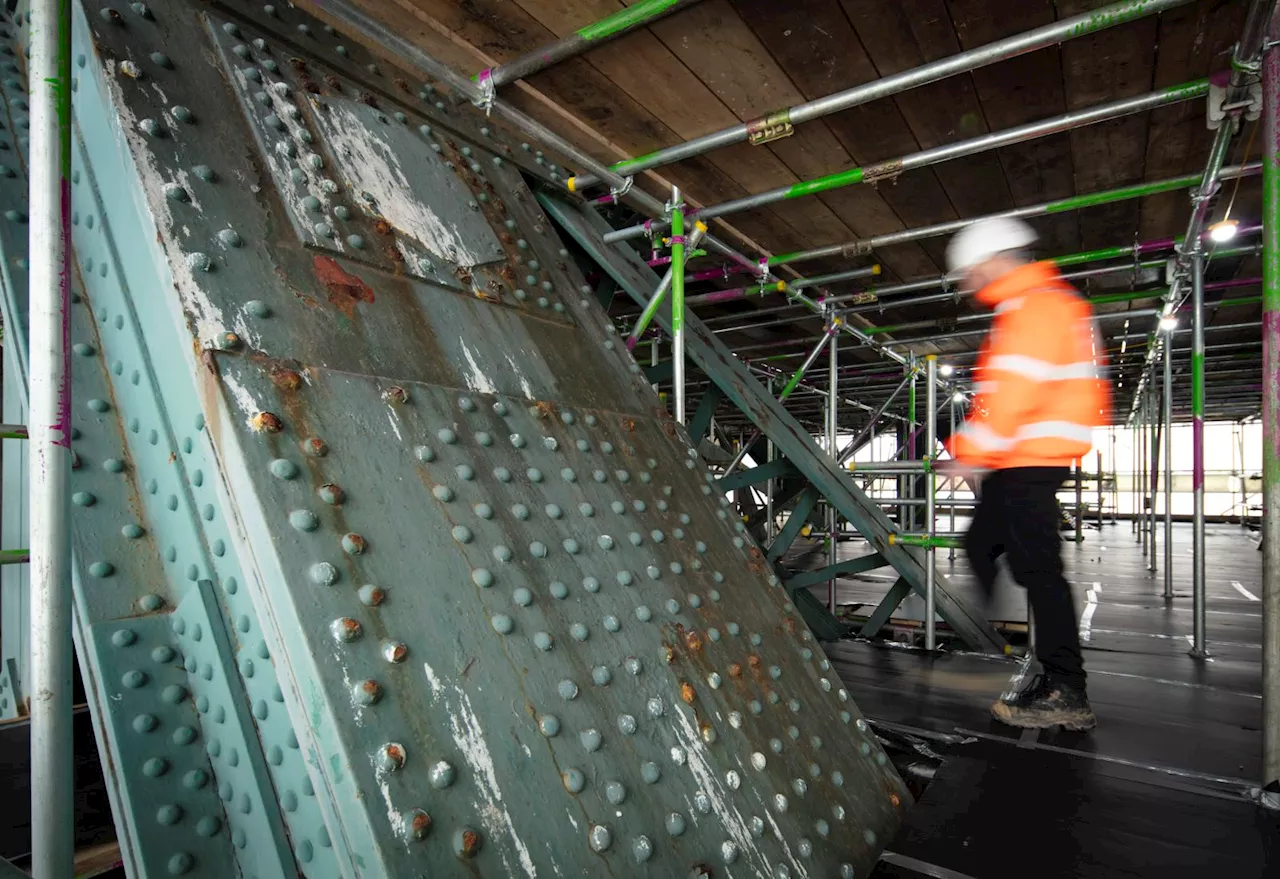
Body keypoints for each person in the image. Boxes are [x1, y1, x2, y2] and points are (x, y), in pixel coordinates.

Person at [943, 217, 1111, 732]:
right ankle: (992, 636)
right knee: (980, 545)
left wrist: (971, 450)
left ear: (992, 261)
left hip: (1030, 459)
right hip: (1017, 458)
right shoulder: (1035, 305)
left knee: (1040, 572)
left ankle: (1067, 688)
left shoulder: (1036, 306)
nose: (968, 284)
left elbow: (1016, 393)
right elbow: (1001, 399)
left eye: (969, 273)